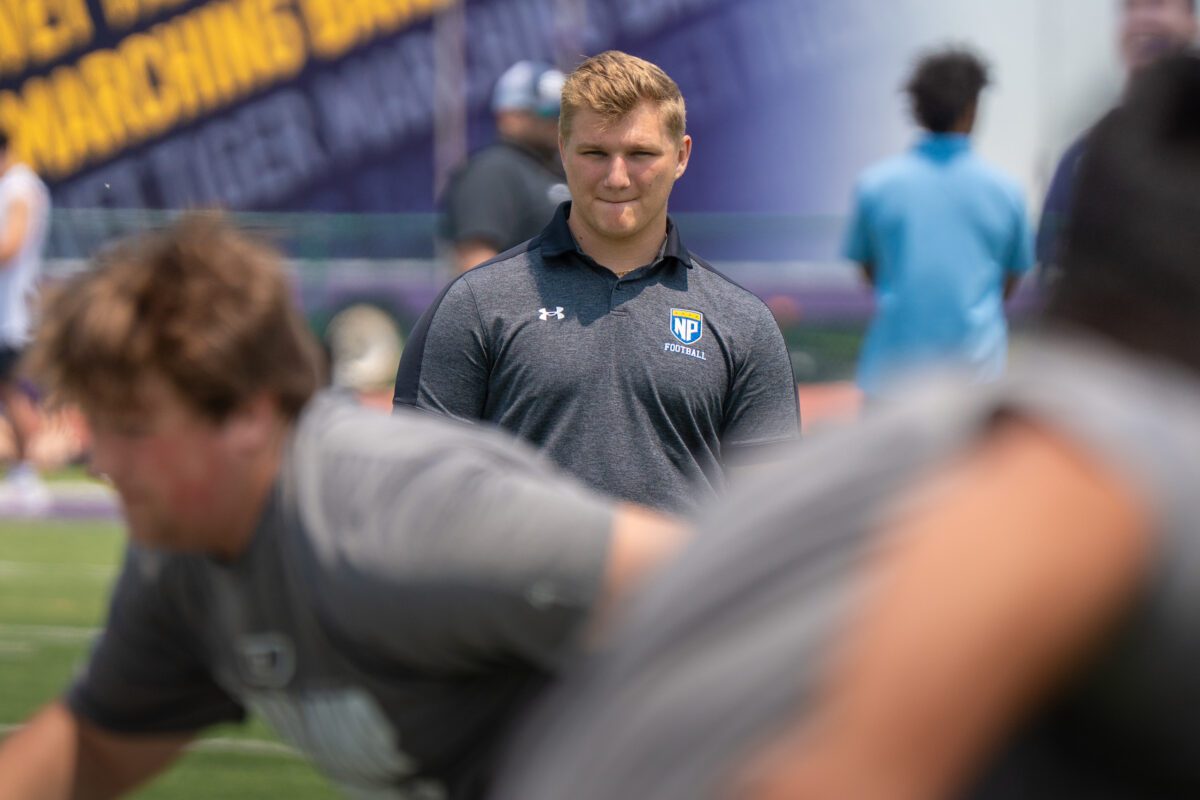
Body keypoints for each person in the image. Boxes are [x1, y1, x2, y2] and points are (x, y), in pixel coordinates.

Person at [493, 53, 1200, 800]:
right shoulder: (1107, 451)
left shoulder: (847, 463)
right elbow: (1057, 486)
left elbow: (871, 269)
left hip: (903, 393)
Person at [0, 215, 684, 799]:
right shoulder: (181, 554)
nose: (103, 463)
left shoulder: (405, 513)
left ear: (246, 415)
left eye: (134, 428)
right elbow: (97, 746)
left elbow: (724, 588)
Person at [395, 50, 800, 515]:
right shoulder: (475, 304)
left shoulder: (742, 322)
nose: (617, 176)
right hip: (517, 587)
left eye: (641, 153)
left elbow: (770, 517)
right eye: (595, 153)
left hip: (676, 589)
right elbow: (417, 492)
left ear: (682, 156)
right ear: (563, 150)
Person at [844, 47, 1033, 398]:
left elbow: (868, 267)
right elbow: (1011, 276)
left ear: (916, 108)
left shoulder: (876, 185)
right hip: (977, 379)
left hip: (892, 376)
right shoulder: (1006, 191)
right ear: (973, 108)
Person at [1038, 0, 1196, 274]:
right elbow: (1050, 266)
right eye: (1130, 7)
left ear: (1192, 22)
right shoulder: (1084, 158)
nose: (1141, 18)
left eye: (1156, 5)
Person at [441, 60, 571, 273]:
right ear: (509, 115)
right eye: (546, 113)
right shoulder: (492, 171)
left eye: (562, 114)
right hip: (525, 305)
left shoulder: (552, 167)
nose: (556, 122)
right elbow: (476, 267)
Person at [0, 129, 51, 511]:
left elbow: (11, 245)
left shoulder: (19, 187)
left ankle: (27, 475)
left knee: (13, 395)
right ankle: (23, 474)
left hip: (9, 316)